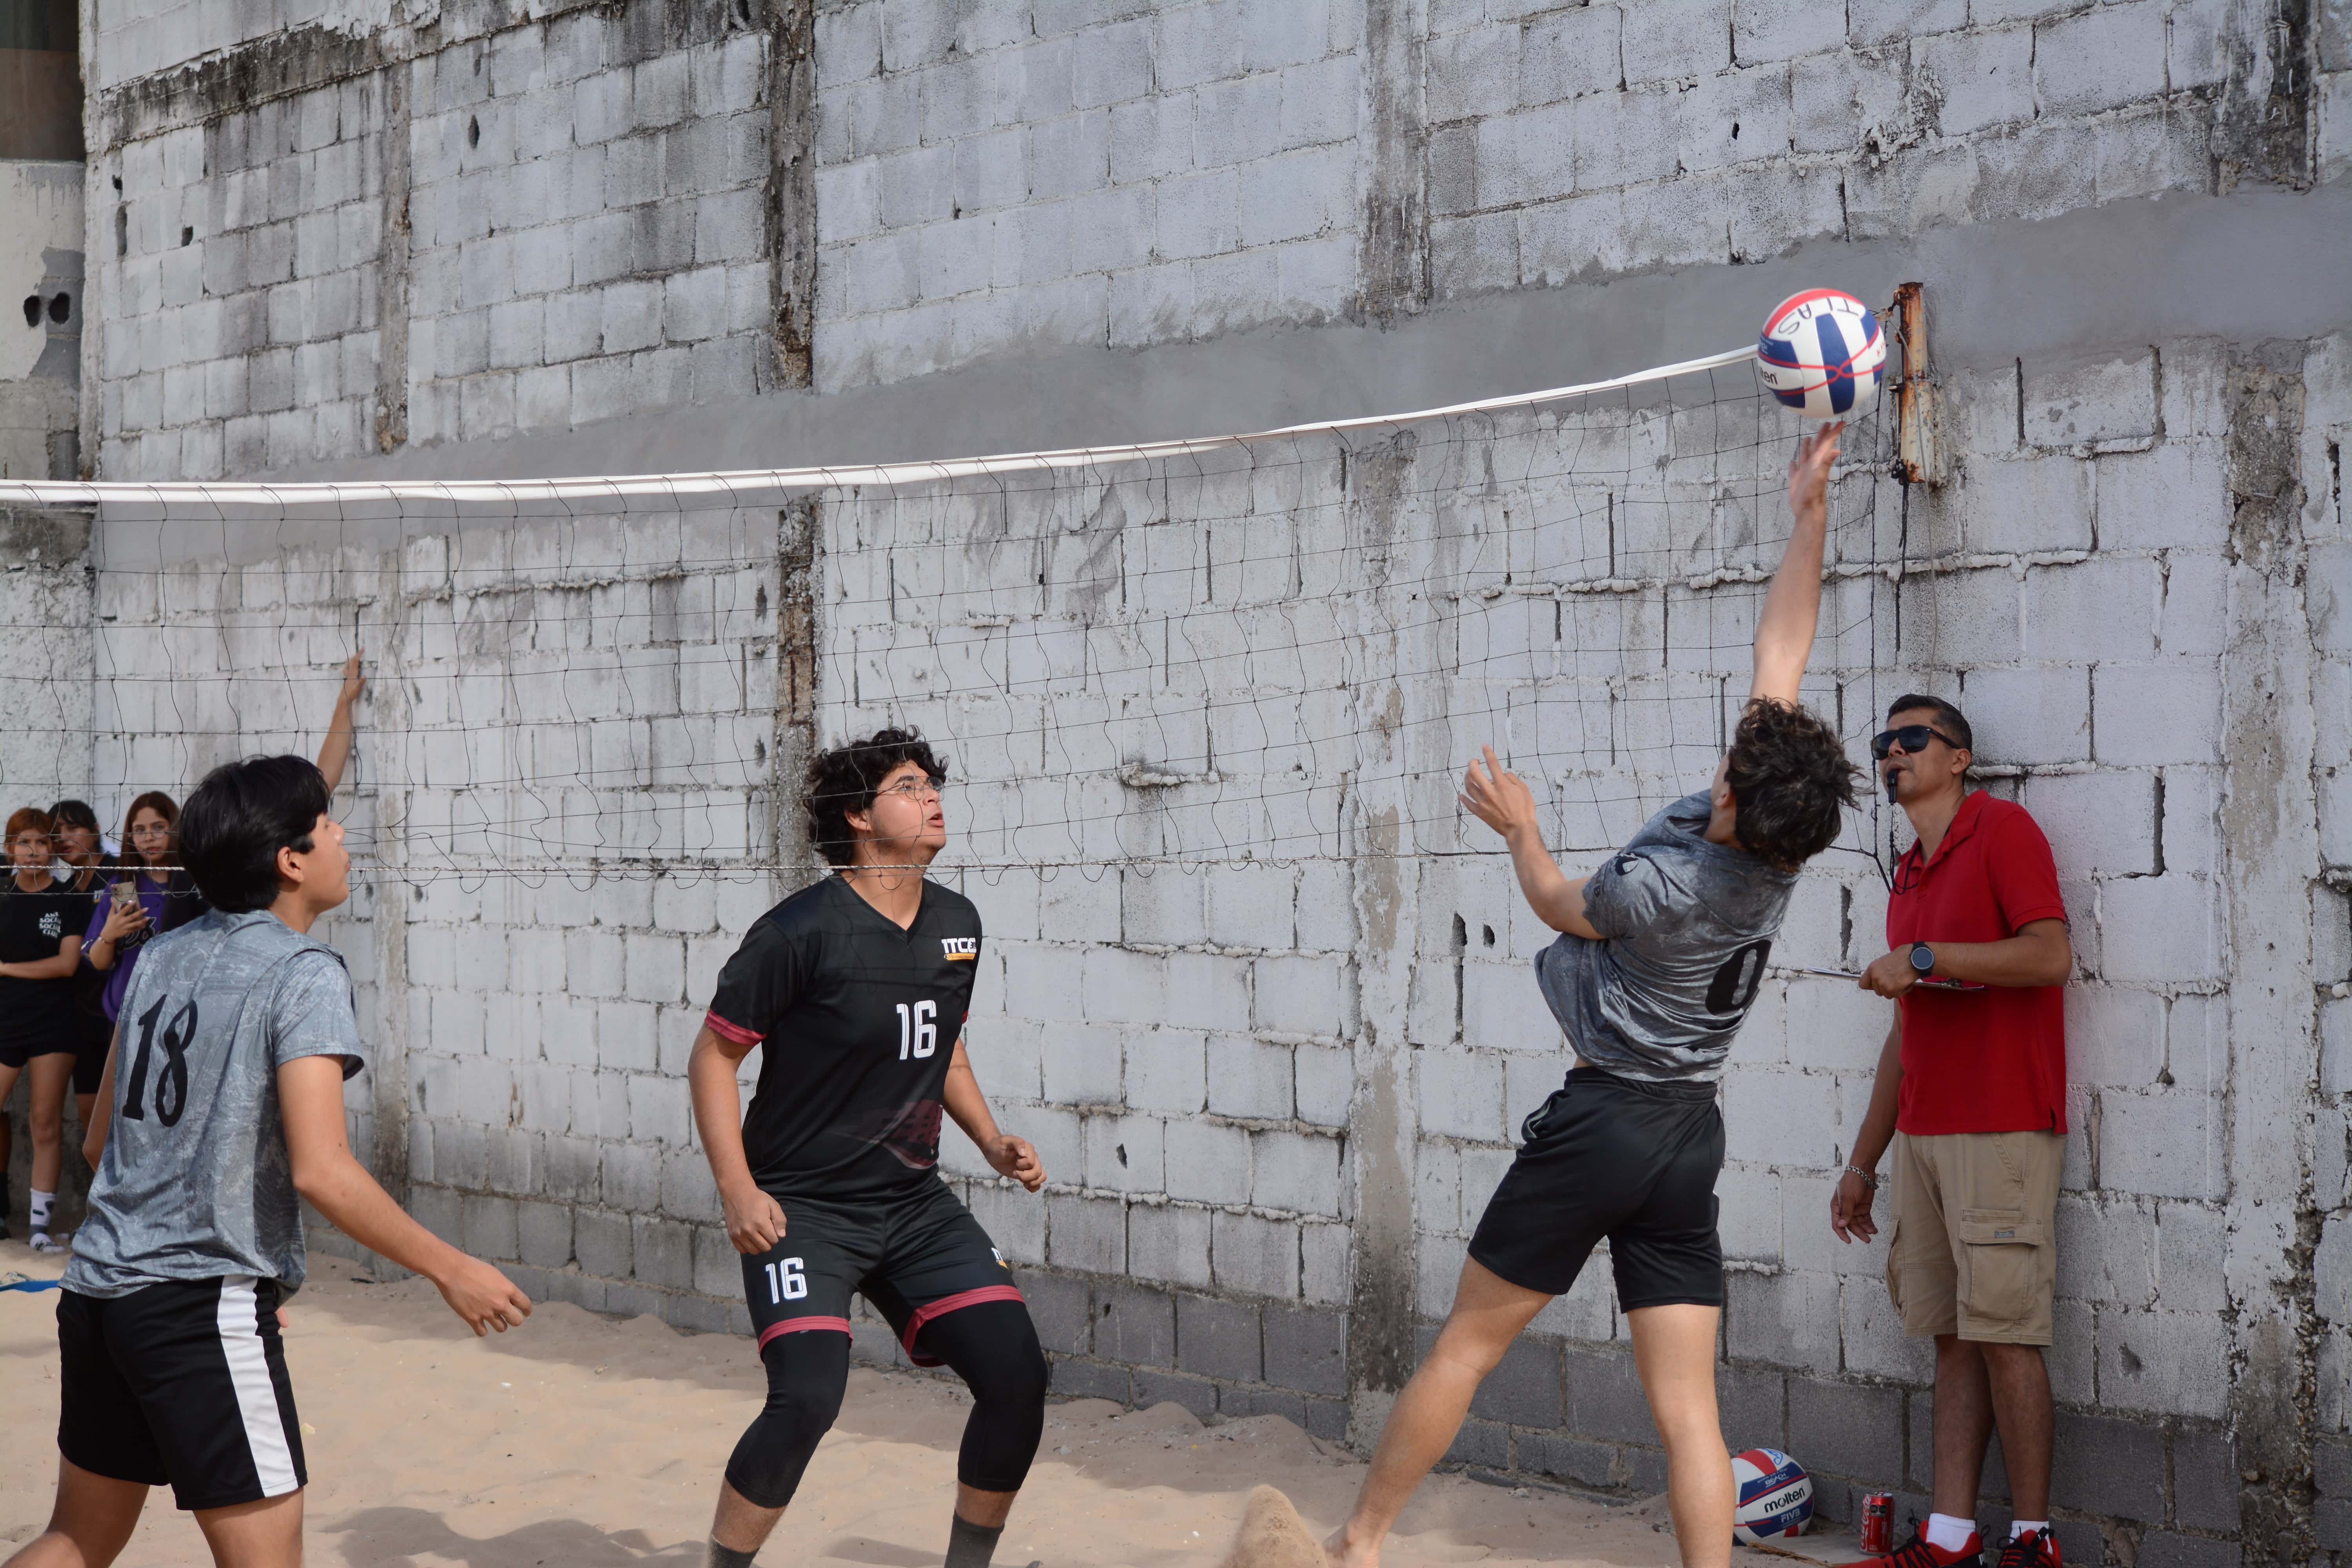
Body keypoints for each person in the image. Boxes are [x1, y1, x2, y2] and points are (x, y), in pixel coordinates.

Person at [1321, 424, 1860, 1568]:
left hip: (1605, 1120)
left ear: (1735, 804)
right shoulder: (1781, 846)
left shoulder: (1661, 886)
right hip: (1688, 1131)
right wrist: (1808, 513)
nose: (1723, 762)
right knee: (1690, 1410)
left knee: (1465, 1347)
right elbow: (1783, 650)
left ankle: (1357, 1541)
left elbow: (1557, 902)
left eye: (1728, 771)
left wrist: (1520, 828)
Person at [5, 754, 531, 1568]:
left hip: (99, 1292)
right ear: (291, 860)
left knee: (76, 1539)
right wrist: (451, 1267)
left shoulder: (163, 956)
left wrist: (244, 1259)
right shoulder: (304, 972)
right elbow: (324, 1170)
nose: (341, 835)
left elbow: (100, 1141)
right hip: (193, 1306)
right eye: (326, 824)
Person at [689, 728, 1050, 1568]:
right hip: (803, 1208)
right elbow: (713, 1056)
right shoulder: (798, 932)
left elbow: (943, 1047)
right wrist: (738, 1189)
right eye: (908, 786)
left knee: (1017, 1376)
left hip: (913, 1203)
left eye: (933, 784)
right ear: (857, 815)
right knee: (807, 1399)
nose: (931, 798)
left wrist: (991, 1138)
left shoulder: (958, 923)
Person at [1829, 697, 2073, 1568]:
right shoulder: (1908, 872)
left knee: (2007, 1334)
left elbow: (2050, 955)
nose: (1892, 753)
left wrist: (1928, 956)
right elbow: (1907, 1031)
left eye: (1912, 739)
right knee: (1953, 1338)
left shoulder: (2002, 830)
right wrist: (1864, 1162)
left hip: (2001, 1125)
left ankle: (2034, 1541)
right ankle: (1950, 1539)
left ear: (1959, 757)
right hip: (1925, 1133)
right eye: (1883, 743)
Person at [0, 808, 97, 1252]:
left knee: (44, 1123)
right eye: (25, 842)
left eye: (42, 842)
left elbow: (67, 964)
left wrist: (6, 968)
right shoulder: (2, 894)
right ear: (10, 849)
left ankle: (39, 1229)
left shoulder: (69, 898)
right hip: (5, 1020)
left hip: (54, 1023)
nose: (34, 851)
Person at [50, 801, 119, 1131]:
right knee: (91, 1117)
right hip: (81, 1017)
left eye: (73, 828)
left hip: (120, 1010)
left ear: (95, 831)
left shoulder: (121, 874)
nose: (64, 839)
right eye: (56, 834)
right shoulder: (63, 891)